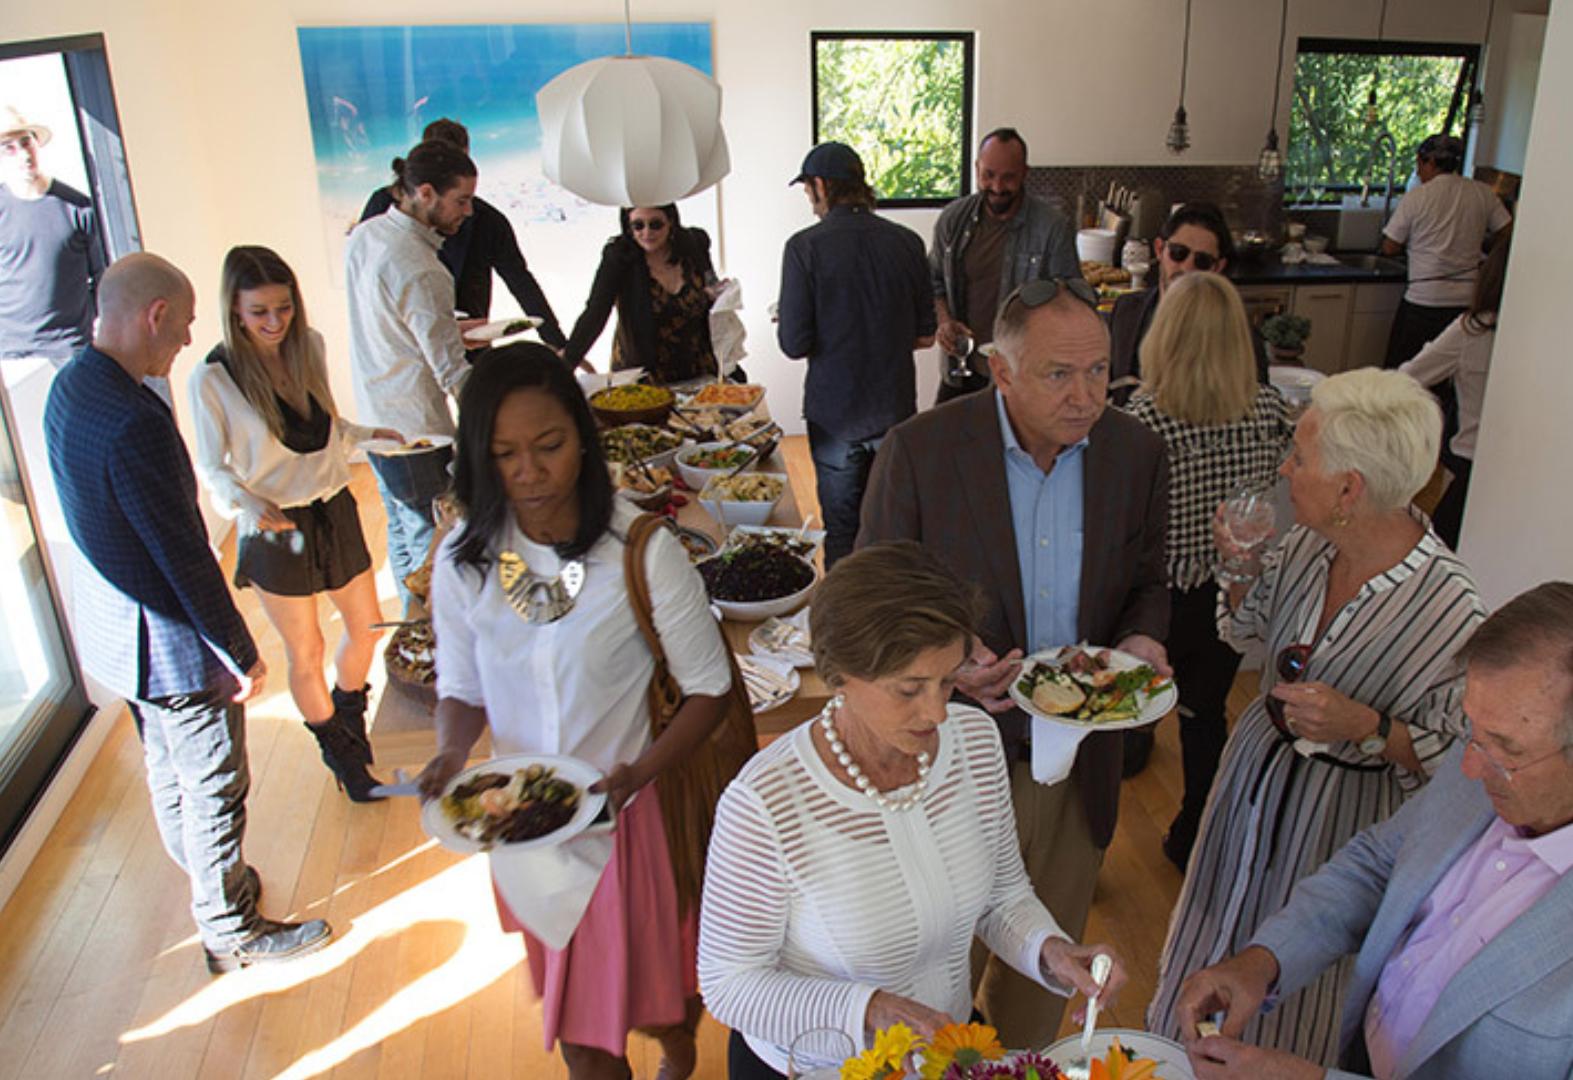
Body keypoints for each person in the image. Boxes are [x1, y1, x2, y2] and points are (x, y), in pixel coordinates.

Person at [1171, 583, 1573, 1080]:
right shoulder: (1514, 736)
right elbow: (1382, 863)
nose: (1468, 767)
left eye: (1502, 749)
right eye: (1472, 729)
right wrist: (1264, 961)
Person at [859, 278, 1169, 1049]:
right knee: (936, 974)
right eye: (1058, 374)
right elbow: (875, 593)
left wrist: (1141, 641)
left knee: (1046, 975)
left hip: (1079, 764)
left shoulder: (1136, 453)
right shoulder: (922, 451)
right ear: (1000, 370)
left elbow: (1148, 580)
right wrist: (948, 659)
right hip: (949, 757)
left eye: (1099, 370)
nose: (1086, 395)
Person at [1147, 368, 1485, 1067]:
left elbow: (1465, 768)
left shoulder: (1453, 611)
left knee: (1298, 976)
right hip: (1251, 783)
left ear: (1349, 490)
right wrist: (1238, 571)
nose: (1284, 467)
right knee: (1213, 927)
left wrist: (1368, 726)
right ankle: (1179, 1053)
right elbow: (1251, 634)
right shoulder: (1307, 544)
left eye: (1300, 456)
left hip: (1339, 825)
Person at [416, 344, 734, 1080]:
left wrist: (638, 774)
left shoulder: (642, 550)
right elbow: (461, 689)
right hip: (523, 827)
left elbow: (709, 690)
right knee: (586, 1043)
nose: (528, 471)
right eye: (502, 454)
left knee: (658, 1002)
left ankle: (677, 1045)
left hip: (627, 823)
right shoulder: (465, 559)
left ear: (583, 443)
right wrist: (449, 754)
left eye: (549, 445)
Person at [699, 542, 1126, 1079]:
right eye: (909, 689)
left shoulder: (974, 742)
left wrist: (1051, 951)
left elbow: (1002, 894)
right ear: (837, 677)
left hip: (942, 1055)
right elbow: (729, 984)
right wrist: (872, 1010)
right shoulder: (764, 804)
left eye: (948, 680)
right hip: (816, 1068)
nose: (939, 712)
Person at [44, 252, 332, 973]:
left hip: (115, 636)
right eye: (185, 325)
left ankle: (215, 886)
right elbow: (182, 551)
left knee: (169, 772)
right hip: (167, 643)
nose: (185, 341)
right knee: (213, 782)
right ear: (155, 316)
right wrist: (240, 649)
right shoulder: (135, 419)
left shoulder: (71, 386)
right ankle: (231, 927)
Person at [187, 246, 399, 801]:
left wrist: (369, 433)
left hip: (334, 508)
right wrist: (244, 503)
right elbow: (212, 468)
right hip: (277, 526)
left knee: (368, 628)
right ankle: (341, 751)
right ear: (234, 309)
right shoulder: (213, 378)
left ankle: (347, 708)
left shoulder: (310, 347)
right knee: (303, 651)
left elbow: (326, 427)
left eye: (283, 308)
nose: (275, 322)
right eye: (260, 312)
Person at [1121, 271, 1293, 871]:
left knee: (1121, 710)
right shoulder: (1268, 409)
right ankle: (1195, 833)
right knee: (1203, 714)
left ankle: (1092, 842)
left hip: (1157, 601)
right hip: (1230, 592)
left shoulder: (1142, 418)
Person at [776, 142, 936, 567]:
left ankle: (846, 630)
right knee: (893, 531)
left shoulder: (803, 248)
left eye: (808, 190)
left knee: (844, 534)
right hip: (893, 412)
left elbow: (793, 344)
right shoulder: (907, 243)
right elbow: (925, 336)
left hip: (835, 420)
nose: (810, 200)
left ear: (821, 186)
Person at [344, 139, 476, 613]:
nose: (468, 211)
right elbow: (450, 370)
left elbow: (386, 320)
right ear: (424, 193)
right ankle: (430, 653)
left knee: (401, 538)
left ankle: (408, 635)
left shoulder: (366, 234)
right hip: (421, 433)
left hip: (375, 420)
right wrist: (488, 424)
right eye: (460, 200)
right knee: (434, 554)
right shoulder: (423, 267)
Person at [358, 117, 569, 353]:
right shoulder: (378, 217)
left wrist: (559, 345)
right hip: (402, 348)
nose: (465, 210)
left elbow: (521, 282)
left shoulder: (488, 220)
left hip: (472, 339)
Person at [928, 128, 1080, 401]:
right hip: (961, 373)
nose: (997, 187)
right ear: (976, 170)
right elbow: (933, 281)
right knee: (940, 441)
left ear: (1025, 173)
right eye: (988, 175)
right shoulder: (953, 221)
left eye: (1008, 177)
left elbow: (1068, 304)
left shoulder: (1052, 228)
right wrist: (945, 321)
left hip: (1022, 376)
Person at [0, 103, 107, 366]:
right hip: (10, 347)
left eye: (26, 142)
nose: (23, 154)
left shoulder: (78, 207)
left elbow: (101, 275)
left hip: (70, 346)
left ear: (36, 143)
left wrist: (79, 322)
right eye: (9, 147)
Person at [1401, 229, 1510, 548]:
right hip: (1517, 466)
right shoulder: (1547, 339)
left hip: (1469, 465)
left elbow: (1408, 377)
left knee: (1449, 553)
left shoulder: (1472, 332)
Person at [1379, 135, 1511, 370]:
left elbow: (1390, 247)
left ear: (1430, 162)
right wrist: (1481, 244)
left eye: (1419, 163)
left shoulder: (1418, 197)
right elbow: (1508, 233)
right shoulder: (1482, 193)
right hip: (1465, 302)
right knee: (1447, 375)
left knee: (1407, 373)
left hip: (1424, 299)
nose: (1418, 171)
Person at [565, 202, 722, 383]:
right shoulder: (619, 257)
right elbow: (595, 314)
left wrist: (717, 292)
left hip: (697, 367)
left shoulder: (694, 244)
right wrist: (567, 364)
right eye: (638, 225)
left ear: (670, 221)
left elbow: (711, 285)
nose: (647, 233)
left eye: (655, 224)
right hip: (643, 373)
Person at [1107, 203, 1235, 401]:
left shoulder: (1235, 332)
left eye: (1202, 261)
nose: (1186, 267)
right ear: (1159, 249)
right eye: (1178, 253)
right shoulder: (1126, 309)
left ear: (1218, 267)